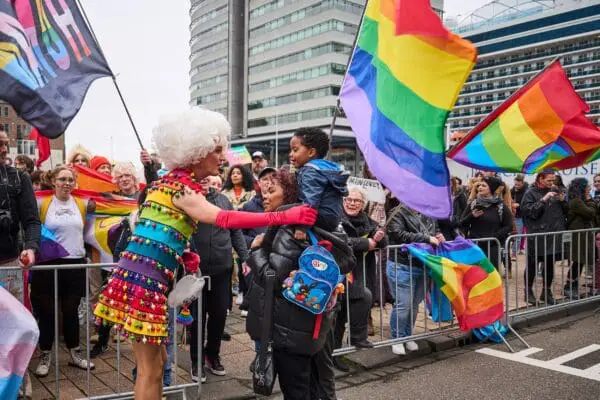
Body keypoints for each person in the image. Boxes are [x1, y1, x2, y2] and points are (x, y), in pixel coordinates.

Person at [92, 107, 316, 400]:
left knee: (157, 364)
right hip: (143, 286)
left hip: (145, 283)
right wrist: (285, 216)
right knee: (150, 369)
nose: (223, 157)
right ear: (196, 152)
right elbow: (226, 218)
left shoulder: (170, 183)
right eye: (217, 149)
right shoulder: (182, 190)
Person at [245, 168, 355, 400]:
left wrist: (255, 251)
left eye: (271, 190)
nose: (264, 195)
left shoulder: (290, 231)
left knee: (297, 392)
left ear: (290, 195)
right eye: (263, 190)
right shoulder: (314, 227)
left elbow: (273, 279)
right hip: (310, 329)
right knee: (315, 387)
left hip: (289, 332)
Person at [31, 166, 95, 377]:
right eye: (62, 179)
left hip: (74, 263)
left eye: (70, 179)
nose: (66, 183)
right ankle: (46, 354)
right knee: (46, 312)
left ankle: (75, 353)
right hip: (47, 265)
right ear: (53, 181)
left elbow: (90, 230)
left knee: (71, 310)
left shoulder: (83, 203)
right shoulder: (41, 202)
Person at [188, 175, 249, 382]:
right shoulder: (189, 199)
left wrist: (245, 257)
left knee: (219, 317)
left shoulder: (224, 201)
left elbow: (236, 231)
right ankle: (196, 361)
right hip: (196, 273)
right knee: (196, 319)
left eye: (213, 180)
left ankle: (212, 355)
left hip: (222, 271)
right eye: (203, 179)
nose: (207, 182)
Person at [333, 186, 385, 371]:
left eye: (357, 201)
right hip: (339, 274)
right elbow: (339, 240)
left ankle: (356, 338)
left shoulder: (368, 221)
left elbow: (382, 243)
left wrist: (379, 237)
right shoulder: (336, 218)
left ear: (363, 204)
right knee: (337, 317)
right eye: (349, 200)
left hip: (360, 273)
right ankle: (335, 354)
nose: (352, 203)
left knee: (363, 299)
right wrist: (365, 243)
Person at [386, 202, 443, 355]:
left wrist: (439, 235)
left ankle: (407, 336)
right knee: (403, 304)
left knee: (414, 303)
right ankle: (396, 338)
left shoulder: (428, 211)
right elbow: (399, 235)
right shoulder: (397, 212)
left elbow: (435, 230)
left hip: (423, 264)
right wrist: (426, 238)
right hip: (402, 264)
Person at [290, 127, 349, 238]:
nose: (291, 154)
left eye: (295, 150)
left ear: (311, 152)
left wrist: (302, 228)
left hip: (321, 217)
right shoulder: (323, 168)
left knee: (281, 211)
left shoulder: (310, 171)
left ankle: (266, 243)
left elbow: (310, 201)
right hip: (332, 218)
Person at [521, 172, 568, 305]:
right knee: (532, 264)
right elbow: (529, 212)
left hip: (553, 234)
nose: (552, 183)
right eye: (549, 180)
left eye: (553, 180)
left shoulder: (556, 191)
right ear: (540, 179)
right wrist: (544, 199)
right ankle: (528, 291)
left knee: (549, 265)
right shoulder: (530, 193)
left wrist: (563, 201)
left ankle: (546, 292)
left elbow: (566, 211)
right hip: (537, 235)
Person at [0, 129, 39, 270]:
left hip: (8, 263)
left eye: (5, 144)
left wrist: (31, 248)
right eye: (0, 145)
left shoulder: (19, 177)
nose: (4, 150)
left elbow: (32, 221)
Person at [460, 176, 513, 270]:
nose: (480, 187)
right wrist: (471, 216)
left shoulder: (500, 206)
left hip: (492, 247)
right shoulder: (473, 204)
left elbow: (508, 226)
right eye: (479, 185)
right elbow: (462, 223)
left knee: (491, 277)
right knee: (475, 276)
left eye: (484, 186)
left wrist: (494, 237)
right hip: (475, 246)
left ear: (491, 188)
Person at [222, 164, 255, 304]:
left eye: (238, 173)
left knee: (244, 260)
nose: (235, 175)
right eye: (233, 173)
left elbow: (252, 211)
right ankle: (229, 293)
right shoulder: (223, 193)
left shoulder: (251, 193)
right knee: (230, 262)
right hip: (228, 231)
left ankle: (242, 291)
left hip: (245, 230)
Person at [564, 178, 597, 299]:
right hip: (577, 236)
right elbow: (590, 213)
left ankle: (573, 284)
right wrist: (590, 200)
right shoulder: (576, 201)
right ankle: (568, 286)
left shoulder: (579, 200)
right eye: (587, 186)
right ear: (581, 187)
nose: (589, 188)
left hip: (583, 235)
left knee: (580, 261)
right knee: (578, 261)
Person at [438, 176, 468, 241]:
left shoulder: (457, 196)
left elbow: (463, 211)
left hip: (452, 227)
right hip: (441, 227)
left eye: (450, 183)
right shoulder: (438, 196)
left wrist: (455, 220)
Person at [511, 173, 529, 257]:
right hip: (512, 216)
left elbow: (527, 205)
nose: (516, 186)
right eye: (515, 184)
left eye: (518, 185)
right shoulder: (512, 190)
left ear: (522, 183)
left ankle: (514, 253)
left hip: (520, 217)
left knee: (518, 236)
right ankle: (511, 251)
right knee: (512, 235)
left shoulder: (526, 192)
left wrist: (519, 205)